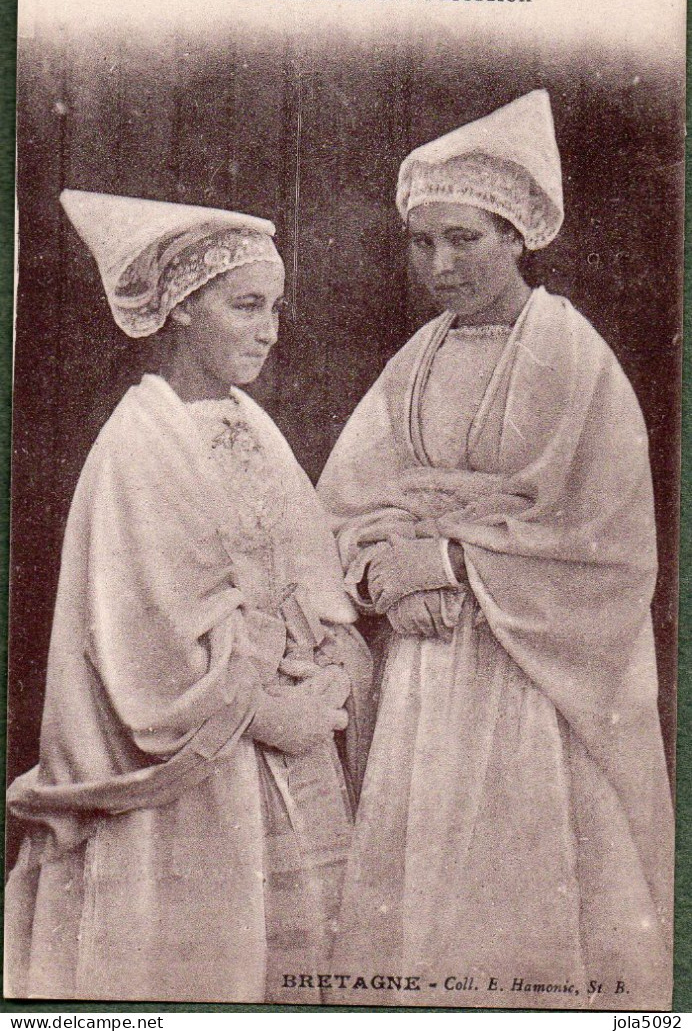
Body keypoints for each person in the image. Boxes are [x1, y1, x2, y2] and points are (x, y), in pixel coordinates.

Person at [317, 90, 674, 1009]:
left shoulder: (569, 351)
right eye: (422, 241)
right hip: (431, 661)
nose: (438, 264)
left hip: (530, 665)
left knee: (525, 864)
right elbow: (348, 499)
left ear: (517, 236)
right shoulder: (417, 357)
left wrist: (451, 563)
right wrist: (386, 576)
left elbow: (607, 539)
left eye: (464, 239)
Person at [5, 190, 371, 1003]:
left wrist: (326, 669)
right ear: (180, 310)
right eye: (246, 306)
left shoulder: (250, 424)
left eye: (275, 308)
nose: (269, 330)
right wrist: (271, 710)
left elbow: (307, 578)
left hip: (289, 747)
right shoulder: (138, 445)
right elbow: (147, 640)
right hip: (206, 765)